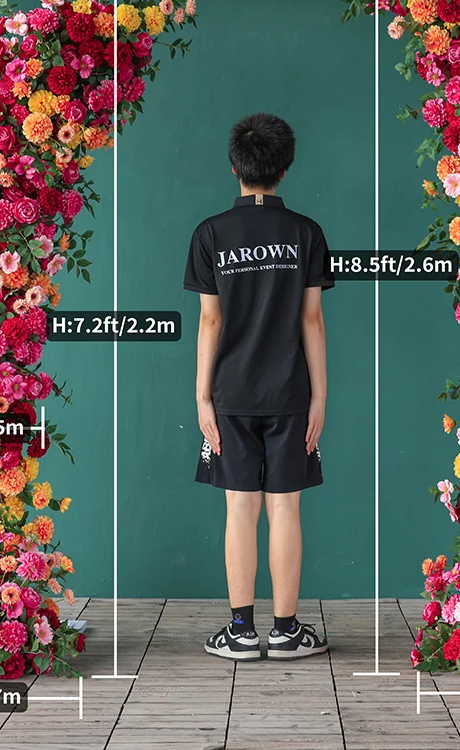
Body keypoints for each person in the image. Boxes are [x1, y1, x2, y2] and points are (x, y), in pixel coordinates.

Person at [183, 112, 334, 660]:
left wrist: (203, 398)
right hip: (292, 394)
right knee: (286, 509)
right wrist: (320, 397)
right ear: (284, 170)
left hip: (231, 396)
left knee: (239, 510)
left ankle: (241, 632)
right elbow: (311, 320)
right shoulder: (307, 233)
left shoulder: (210, 234)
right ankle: (288, 631)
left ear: (235, 168)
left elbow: (210, 322)